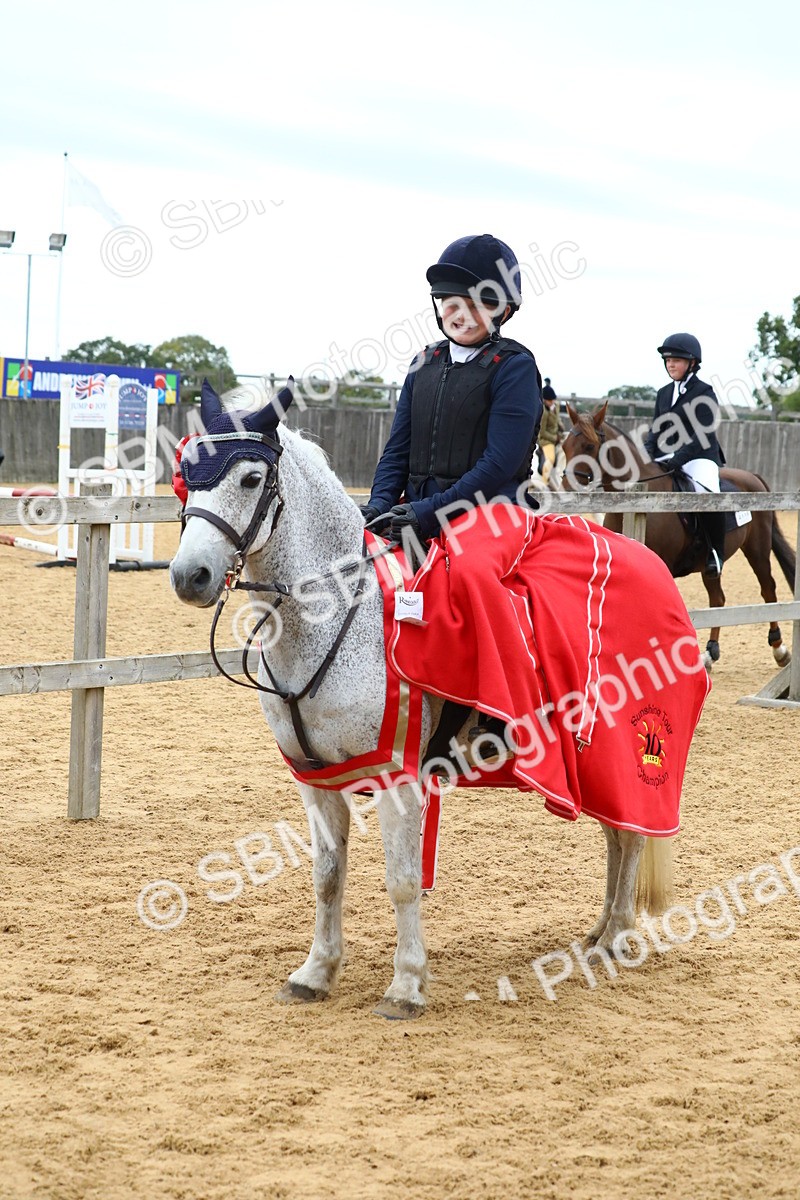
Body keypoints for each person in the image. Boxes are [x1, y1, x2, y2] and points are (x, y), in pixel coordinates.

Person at [360, 234, 543, 546]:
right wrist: (379, 503)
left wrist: (431, 511)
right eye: (453, 303)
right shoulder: (423, 362)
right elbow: (397, 450)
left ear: (505, 311)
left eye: (477, 305)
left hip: (490, 515)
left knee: (470, 571)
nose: (462, 316)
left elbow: (499, 464)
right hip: (414, 512)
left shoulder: (516, 368)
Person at [643, 332, 726, 577]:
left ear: (691, 363)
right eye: (668, 360)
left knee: (707, 493)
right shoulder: (663, 393)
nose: (671, 364)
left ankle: (715, 552)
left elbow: (702, 433)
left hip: (700, 456)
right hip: (667, 456)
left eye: (676, 360)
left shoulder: (704, 392)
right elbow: (656, 428)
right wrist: (648, 452)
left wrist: (678, 458)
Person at [536, 390, 564, 483]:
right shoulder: (544, 412)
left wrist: (561, 426)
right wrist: (555, 438)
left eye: (552, 400)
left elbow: (557, 418)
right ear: (544, 400)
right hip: (546, 440)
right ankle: (545, 482)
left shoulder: (556, 405)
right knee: (551, 459)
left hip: (556, 434)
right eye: (549, 400)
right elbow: (542, 432)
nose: (551, 402)